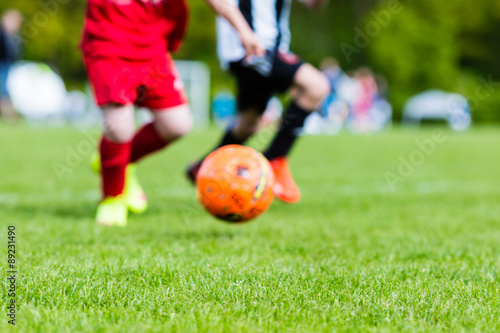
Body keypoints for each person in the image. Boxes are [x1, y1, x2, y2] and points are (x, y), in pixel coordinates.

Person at [81, 0, 264, 227]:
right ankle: (112, 198)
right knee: (119, 128)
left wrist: (244, 32)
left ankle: (114, 161)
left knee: (177, 124)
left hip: (152, 49)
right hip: (109, 46)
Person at [187, 0, 331, 204]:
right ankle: (275, 158)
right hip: (253, 48)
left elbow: (312, 4)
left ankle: (202, 168)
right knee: (317, 86)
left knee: (249, 124)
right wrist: (244, 31)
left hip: (268, 49)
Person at [0, 10, 23, 122]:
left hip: (7, 67)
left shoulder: (13, 37)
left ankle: (9, 115)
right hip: (2, 66)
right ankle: (9, 117)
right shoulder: (2, 35)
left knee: (5, 91)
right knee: (3, 91)